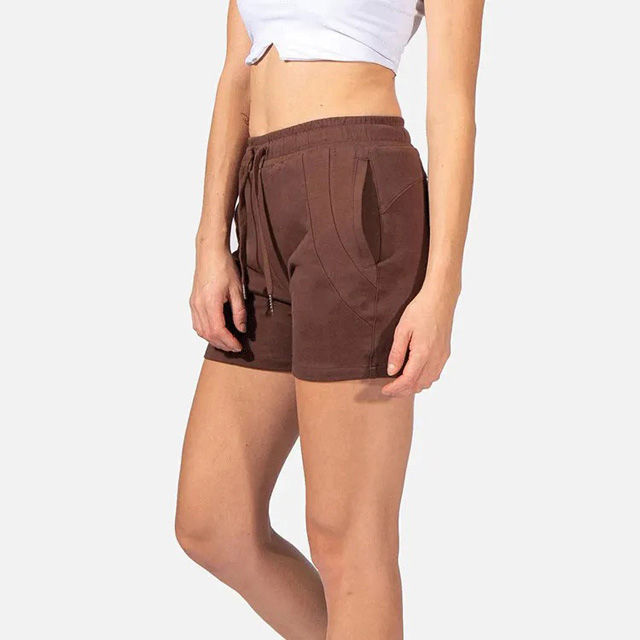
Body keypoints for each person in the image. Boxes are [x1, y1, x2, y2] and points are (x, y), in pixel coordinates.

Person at [176, 1, 485, 637]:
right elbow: (236, 71)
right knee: (213, 520)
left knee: (347, 537)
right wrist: (210, 240)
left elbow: (452, 107)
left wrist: (442, 290)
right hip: (260, 197)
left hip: (356, 187)